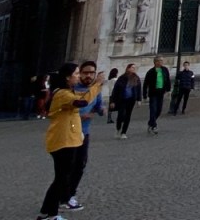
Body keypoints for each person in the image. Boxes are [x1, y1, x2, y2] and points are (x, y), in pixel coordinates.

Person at [36, 62, 103, 220]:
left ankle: (46, 211)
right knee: (61, 179)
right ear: (67, 77)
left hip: (68, 140)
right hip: (62, 142)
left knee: (61, 177)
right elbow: (82, 102)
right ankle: (51, 215)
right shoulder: (62, 94)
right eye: (76, 74)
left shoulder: (67, 92)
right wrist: (97, 85)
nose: (78, 76)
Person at [65, 60, 104, 213]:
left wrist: (101, 109)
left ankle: (70, 194)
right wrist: (82, 115)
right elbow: (78, 105)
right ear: (80, 73)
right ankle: (63, 197)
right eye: (85, 72)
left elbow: (97, 104)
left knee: (80, 164)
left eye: (91, 73)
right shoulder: (71, 89)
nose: (89, 75)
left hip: (84, 133)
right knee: (68, 166)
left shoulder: (96, 90)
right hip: (70, 132)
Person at [110, 63, 141, 139]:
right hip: (122, 99)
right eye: (132, 67)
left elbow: (139, 89)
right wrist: (113, 101)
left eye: (135, 68)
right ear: (128, 68)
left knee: (128, 115)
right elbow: (115, 89)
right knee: (121, 115)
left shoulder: (136, 78)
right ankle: (118, 128)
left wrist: (139, 99)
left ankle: (124, 132)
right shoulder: (122, 78)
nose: (134, 69)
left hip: (131, 99)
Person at [142, 56, 171, 134]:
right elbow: (145, 84)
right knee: (153, 109)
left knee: (158, 110)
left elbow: (167, 80)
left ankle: (150, 123)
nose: (161, 62)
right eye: (159, 61)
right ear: (155, 62)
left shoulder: (165, 70)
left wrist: (168, 90)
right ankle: (154, 126)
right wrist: (144, 95)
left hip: (161, 93)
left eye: (162, 60)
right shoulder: (151, 72)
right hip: (153, 93)